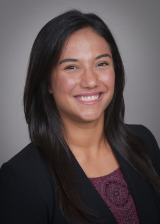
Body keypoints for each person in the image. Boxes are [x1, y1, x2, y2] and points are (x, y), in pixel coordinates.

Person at [0, 10, 160, 224]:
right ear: (47, 82)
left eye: (101, 63)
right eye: (72, 67)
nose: (90, 81)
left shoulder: (143, 142)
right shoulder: (21, 178)